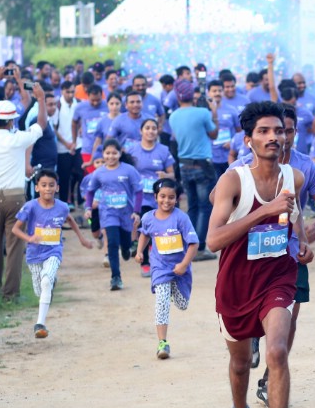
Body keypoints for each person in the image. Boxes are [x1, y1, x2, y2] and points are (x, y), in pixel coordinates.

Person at [206, 100, 313, 408]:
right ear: (248, 140)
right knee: (239, 365)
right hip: (236, 285)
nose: (274, 137)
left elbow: (295, 219)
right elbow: (213, 240)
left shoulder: (294, 178)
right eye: (264, 132)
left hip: (277, 279)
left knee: (277, 351)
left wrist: (301, 243)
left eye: (280, 131)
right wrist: (261, 214)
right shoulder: (233, 181)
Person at [0, 100, 44, 300]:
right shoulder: (18, 139)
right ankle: (10, 293)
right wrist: (41, 100)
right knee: (15, 245)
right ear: (12, 121)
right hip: (16, 198)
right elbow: (41, 126)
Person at [11, 169, 93, 338]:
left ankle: (39, 324)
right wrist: (29, 238)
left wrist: (82, 239)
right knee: (39, 290)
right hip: (34, 255)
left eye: (51, 185)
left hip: (53, 252)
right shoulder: (30, 206)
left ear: (57, 188)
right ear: (37, 188)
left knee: (46, 280)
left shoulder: (62, 207)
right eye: (43, 185)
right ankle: (50, 282)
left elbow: (70, 220)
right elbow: (15, 228)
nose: (47, 189)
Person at [135, 178, 198, 359]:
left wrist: (184, 264)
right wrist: (140, 252)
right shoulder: (148, 218)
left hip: (180, 269)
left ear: (177, 199)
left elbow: (193, 244)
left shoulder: (181, 218)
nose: (166, 201)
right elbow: (144, 234)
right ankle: (163, 343)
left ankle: (172, 288)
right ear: (155, 197)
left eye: (171, 197)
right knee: (161, 301)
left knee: (182, 305)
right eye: (162, 196)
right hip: (160, 267)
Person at [83, 138, 143, 291]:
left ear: (120, 153)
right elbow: (90, 191)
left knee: (124, 241)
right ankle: (116, 277)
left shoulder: (128, 170)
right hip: (108, 213)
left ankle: (126, 247)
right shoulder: (99, 172)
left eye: (114, 153)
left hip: (126, 213)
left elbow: (138, 191)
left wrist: (136, 211)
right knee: (112, 242)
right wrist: (88, 208)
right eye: (107, 153)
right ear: (103, 154)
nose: (110, 156)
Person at [170, 79, 219, 260]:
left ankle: (190, 243)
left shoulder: (173, 116)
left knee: (192, 206)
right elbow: (214, 134)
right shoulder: (202, 113)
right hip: (202, 165)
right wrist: (214, 112)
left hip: (184, 165)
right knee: (204, 207)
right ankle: (199, 248)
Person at [130, 117, 175, 276]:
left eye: (153, 128)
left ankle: (157, 260)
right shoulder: (132, 150)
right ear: (141, 131)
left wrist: (165, 175)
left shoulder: (163, 150)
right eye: (147, 128)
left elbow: (173, 175)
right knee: (145, 228)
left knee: (157, 230)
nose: (150, 131)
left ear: (158, 131)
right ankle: (145, 262)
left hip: (160, 199)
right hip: (139, 198)